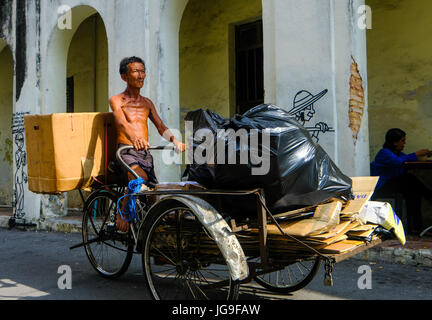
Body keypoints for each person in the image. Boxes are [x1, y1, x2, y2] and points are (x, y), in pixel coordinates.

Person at [110, 56, 185, 232]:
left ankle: (152, 237)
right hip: (126, 151)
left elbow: (160, 127)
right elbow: (121, 122)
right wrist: (134, 137)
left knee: (153, 196)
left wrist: (175, 140)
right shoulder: (117, 100)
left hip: (144, 152)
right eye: (136, 71)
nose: (141, 75)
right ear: (124, 77)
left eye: (143, 71)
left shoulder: (147, 103)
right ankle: (122, 212)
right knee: (139, 178)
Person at [370, 128, 432, 234]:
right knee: (409, 179)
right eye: (402, 141)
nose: (404, 143)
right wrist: (416, 154)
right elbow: (398, 162)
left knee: (414, 193)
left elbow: (407, 159)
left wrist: (423, 155)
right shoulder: (384, 153)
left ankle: (416, 228)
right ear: (394, 142)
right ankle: (429, 197)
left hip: (395, 185)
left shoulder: (398, 153)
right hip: (382, 186)